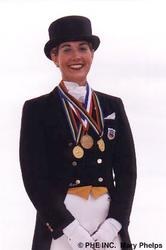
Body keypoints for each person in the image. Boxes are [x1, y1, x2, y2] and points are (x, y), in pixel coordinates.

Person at [19, 15, 137, 250]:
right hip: (61, 223)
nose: (76, 57)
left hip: (107, 222)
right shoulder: (36, 109)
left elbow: (127, 171)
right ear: (55, 57)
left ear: (92, 54)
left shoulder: (113, 105)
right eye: (67, 50)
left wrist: (114, 224)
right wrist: (70, 229)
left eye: (83, 48)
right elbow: (34, 178)